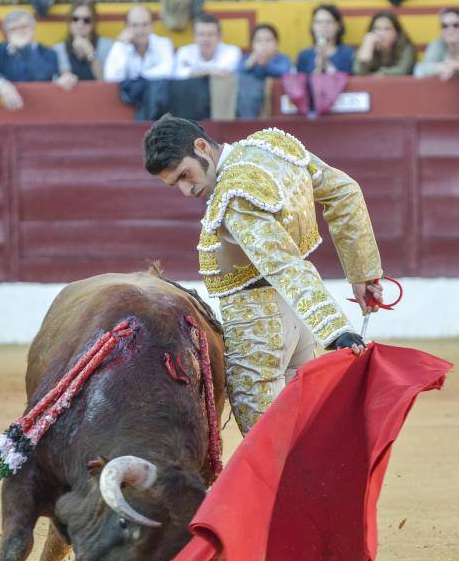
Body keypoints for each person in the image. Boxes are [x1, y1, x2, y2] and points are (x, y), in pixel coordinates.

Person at [143, 115, 383, 436]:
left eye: (185, 175)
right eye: (176, 184)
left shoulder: (234, 194)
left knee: (268, 445)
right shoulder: (271, 147)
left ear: (202, 146)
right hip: (296, 323)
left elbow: (281, 262)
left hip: (257, 327)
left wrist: (335, 330)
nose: (187, 190)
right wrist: (363, 274)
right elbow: (344, 192)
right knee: (304, 431)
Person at [0, 10, 76, 111]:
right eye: (13, 29)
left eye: (23, 27)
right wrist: (1, 83)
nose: (19, 32)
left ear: (33, 29)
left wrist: (26, 49)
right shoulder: (0, 49)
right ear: (7, 35)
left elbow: (43, 76)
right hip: (10, 110)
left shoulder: (48, 53)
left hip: (41, 109)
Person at [104, 6, 174, 83]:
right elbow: (111, 77)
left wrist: (139, 78)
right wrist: (120, 44)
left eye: (145, 24)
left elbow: (167, 71)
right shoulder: (121, 47)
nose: (140, 30)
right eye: (135, 25)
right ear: (126, 27)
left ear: (152, 26)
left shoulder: (163, 44)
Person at [237, 24, 292, 118]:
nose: (263, 44)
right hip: (250, 108)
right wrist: (249, 64)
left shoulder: (283, 59)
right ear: (252, 45)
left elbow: (284, 71)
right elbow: (236, 74)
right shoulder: (246, 59)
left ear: (276, 44)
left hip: (276, 107)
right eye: (258, 40)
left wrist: (265, 65)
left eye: (268, 40)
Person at [54, 3, 112, 80]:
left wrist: (91, 54)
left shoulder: (106, 45)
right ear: (69, 23)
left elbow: (105, 80)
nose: (80, 25)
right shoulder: (59, 48)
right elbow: (64, 77)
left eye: (86, 20)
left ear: (94, 23)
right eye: (75, 19)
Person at [173, 13, 242, 78]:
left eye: (210, 34)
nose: (205, 39)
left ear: (220, 37)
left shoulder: (232, 51)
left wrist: (193, 72)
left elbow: (225, 73)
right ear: (194, 37)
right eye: (201, 34)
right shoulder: (184, 51)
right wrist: (213, 72)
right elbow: (179, 74)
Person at [353, 10, 416, 76]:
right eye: (377, 29)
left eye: (387, 29)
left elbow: (403, 70)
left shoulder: (405, 46)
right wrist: (368, 46)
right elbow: (358, 71)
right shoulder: (368, 45)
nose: (381, 34)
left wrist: (382, 73)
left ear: (397, 33)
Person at [296, 4, 354, 74]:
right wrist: (318, 67)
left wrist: (326, 63)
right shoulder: (304, 56)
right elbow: (302, 82)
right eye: (319, 22)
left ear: (338, 26)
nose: (324, 26)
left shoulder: (347, 53)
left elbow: (346, 80)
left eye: (329, 22)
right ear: (312, 27)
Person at [414, 7, 459, 79]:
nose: (450, 29)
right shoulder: (438, 44)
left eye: (456, 25)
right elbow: (419, 70)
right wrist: (440, 68)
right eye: (444, 26)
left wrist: (456, 65)